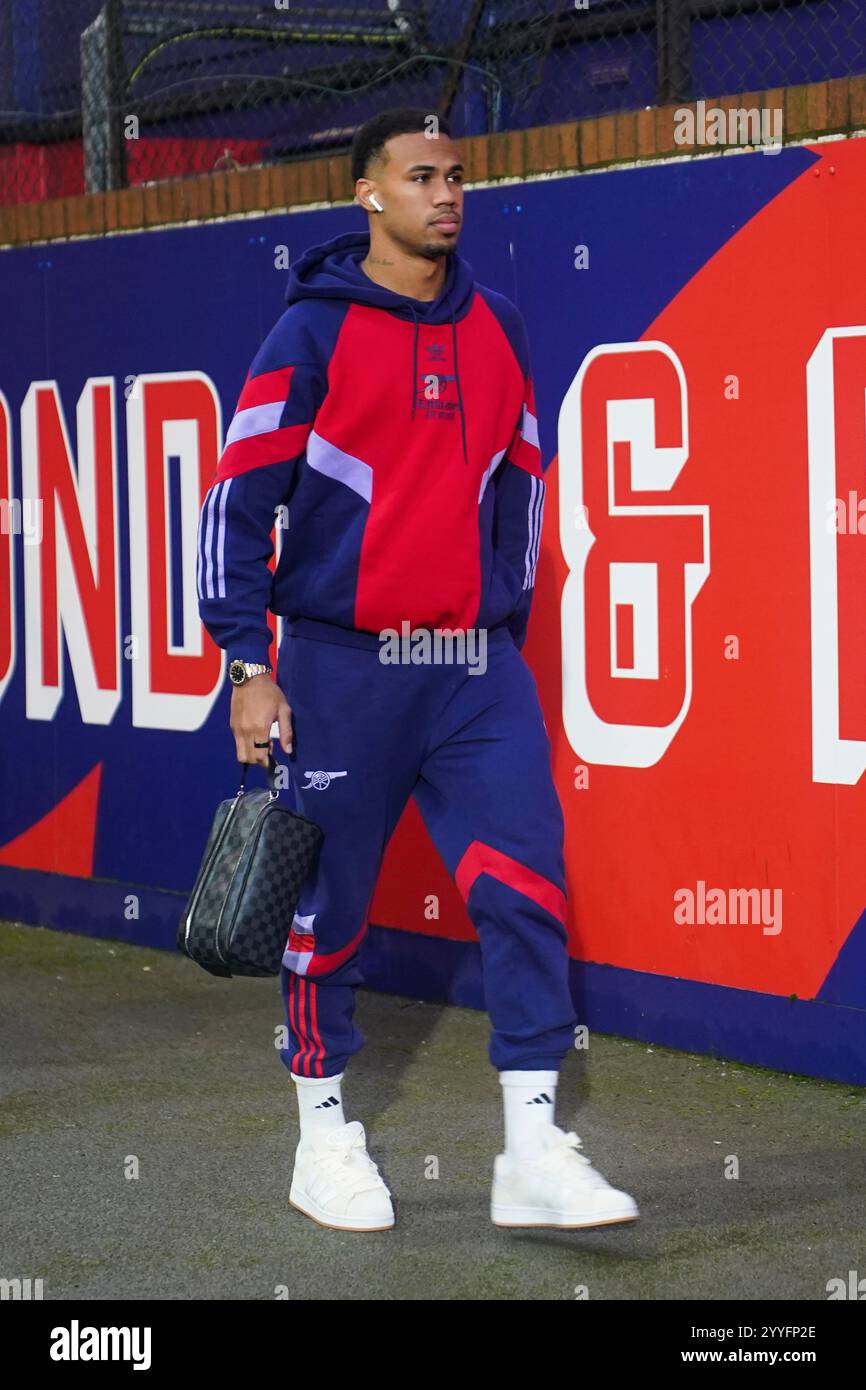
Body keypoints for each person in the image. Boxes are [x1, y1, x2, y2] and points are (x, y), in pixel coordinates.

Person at [196, 106, 638, 1234]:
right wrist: (248, 662)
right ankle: (321, 1132)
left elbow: (520, 490)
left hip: (469, 668)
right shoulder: (310, 332)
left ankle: (533, 1149)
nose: (445, 194)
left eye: (456, 177)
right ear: (368, 195)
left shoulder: (497, 324)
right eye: (420, 176)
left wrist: (500, 628)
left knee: (525, 885)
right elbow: (233, 504)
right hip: (342, 670)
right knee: (325, 913)